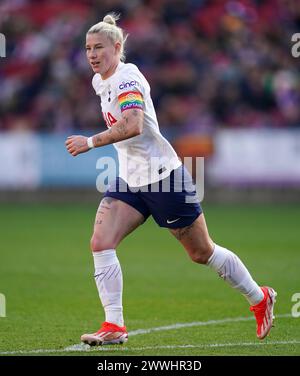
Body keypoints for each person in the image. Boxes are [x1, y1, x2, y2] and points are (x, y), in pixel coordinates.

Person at [65, 13, 276, 346]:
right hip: (130, 179)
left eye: (99, 48)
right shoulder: (99, 81)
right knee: (100, 242)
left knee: (201, 252)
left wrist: (89, 142)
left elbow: (133, 125)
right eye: (88, 48)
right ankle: (114, 326)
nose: (92, 55)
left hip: (164, 178)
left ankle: (259, 297)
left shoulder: (127, 78)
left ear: (117, 47)